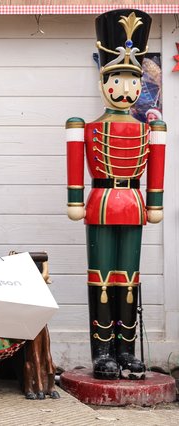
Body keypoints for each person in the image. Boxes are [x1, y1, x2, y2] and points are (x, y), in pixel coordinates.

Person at [66, 9, 165, 380]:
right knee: (101, 276)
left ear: (139, 86)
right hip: (102, 203)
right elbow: (76, 167)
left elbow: (156, 170)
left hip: (134, 204)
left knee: (130, 276)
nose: (125, 90)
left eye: (131, 82)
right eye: (117, 81)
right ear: (103, 84)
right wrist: (75, 199)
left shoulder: (150, 129)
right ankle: (103, 351)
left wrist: (154, 202)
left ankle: (127, 349)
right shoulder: (84, 127)